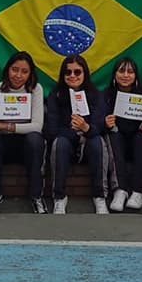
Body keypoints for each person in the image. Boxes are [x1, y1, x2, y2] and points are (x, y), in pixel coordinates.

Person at [0, 51, 47, 215]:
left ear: (30, 73)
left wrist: (8, 126)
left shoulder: (35, 89)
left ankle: (36, 197)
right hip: (4, 144)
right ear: (7, 70)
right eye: (14, 69)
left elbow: (37, 126)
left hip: (27, 145)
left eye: (24, 71)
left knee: (35, 139)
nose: (18, 75)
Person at [46, 55, 109, 214]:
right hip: (67, 142)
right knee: (59, 143)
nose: (72, 76)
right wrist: (75, 132)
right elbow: (52, 129)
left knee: (98, 142)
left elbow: (100, 125)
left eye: (77, 72)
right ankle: (59, 197)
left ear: (84, 73)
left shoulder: (96, 94)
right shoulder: (56, 95)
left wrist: (86, 128)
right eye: (68, 72)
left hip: (89, 141)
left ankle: (100, 197)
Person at [102, 57, 142, 212]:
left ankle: (138, 191)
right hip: (117, 142)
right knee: (113, 135)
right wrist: (105, 123)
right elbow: (97, 122)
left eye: (130, 72)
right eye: (121, 71)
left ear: (136, 75)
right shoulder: (106, 95)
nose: (125, 75)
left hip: (138, 141)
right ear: (114, 75)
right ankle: (120, 190)